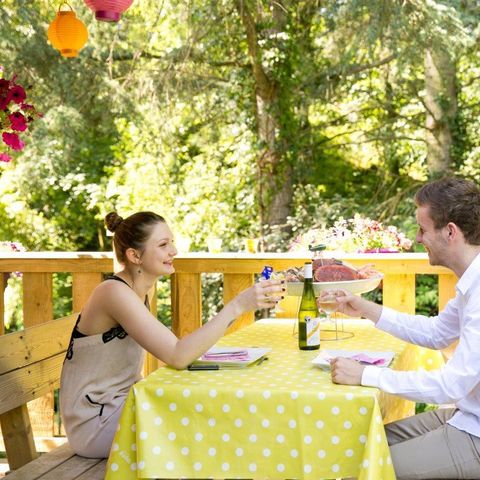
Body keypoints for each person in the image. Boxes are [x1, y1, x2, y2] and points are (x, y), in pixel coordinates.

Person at [60, 211, 283, 459]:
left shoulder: (140, 290)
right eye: (164, 245)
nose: (174, 251)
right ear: (134, 256)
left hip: (122, 406)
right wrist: (238, 305)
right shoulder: (113, 292)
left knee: (213, 410)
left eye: (172, 242)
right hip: (94, 424)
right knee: (205, 424)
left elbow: (178, 351)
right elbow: (177, 355)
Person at [328, 176, 480, 480]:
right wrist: (365, 308)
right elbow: (436, 333)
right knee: (355, 447)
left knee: (361, 470)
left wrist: (365, 375)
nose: (418, 238)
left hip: (475, 434)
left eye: (423, 229)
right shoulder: (470, 282)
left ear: (450, 232)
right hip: (466, 416)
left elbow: (451, 385)